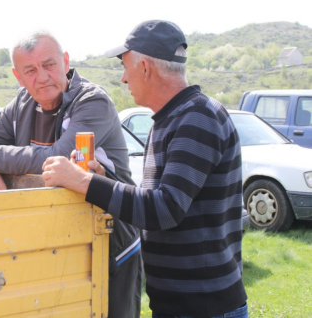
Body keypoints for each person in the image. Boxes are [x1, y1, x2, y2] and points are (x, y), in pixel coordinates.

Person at [42, 20, 248, 318]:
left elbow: (164, 210)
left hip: (204, 308)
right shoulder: (172, 118)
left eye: (125, 67)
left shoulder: (197, 117)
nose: (123, 79)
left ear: (145, 68)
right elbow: (156, 199)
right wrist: (102, 178)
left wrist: (85, 183)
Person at [0, 31, 143, 318]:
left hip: (110, 243)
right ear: (18, 77)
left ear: (65, 61)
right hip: (53, 245)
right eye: (30, 70)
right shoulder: (20, 104)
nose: (42, 77)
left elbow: (56, 158)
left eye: (49, 64)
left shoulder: (92, 101)